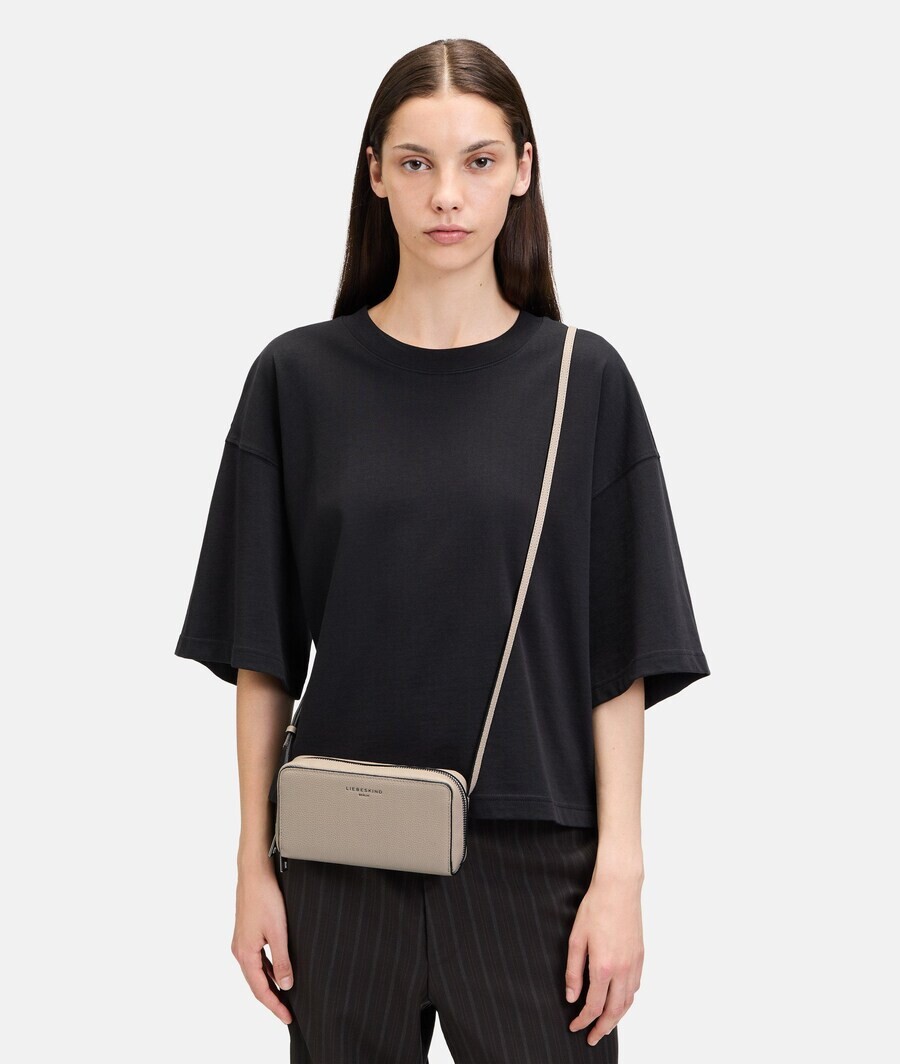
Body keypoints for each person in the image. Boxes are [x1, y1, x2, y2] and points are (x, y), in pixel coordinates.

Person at [174, 37, 710, 1064]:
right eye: (416, 162)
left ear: (523, 169)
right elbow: (261, 654)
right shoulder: (296, 380)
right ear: (375, 173)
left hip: (535, 859)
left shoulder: (584, 383)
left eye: (478, 160)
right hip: (338, 854)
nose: (447, 195)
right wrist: (251, 864)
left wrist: (622, 874)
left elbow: (619, 658)